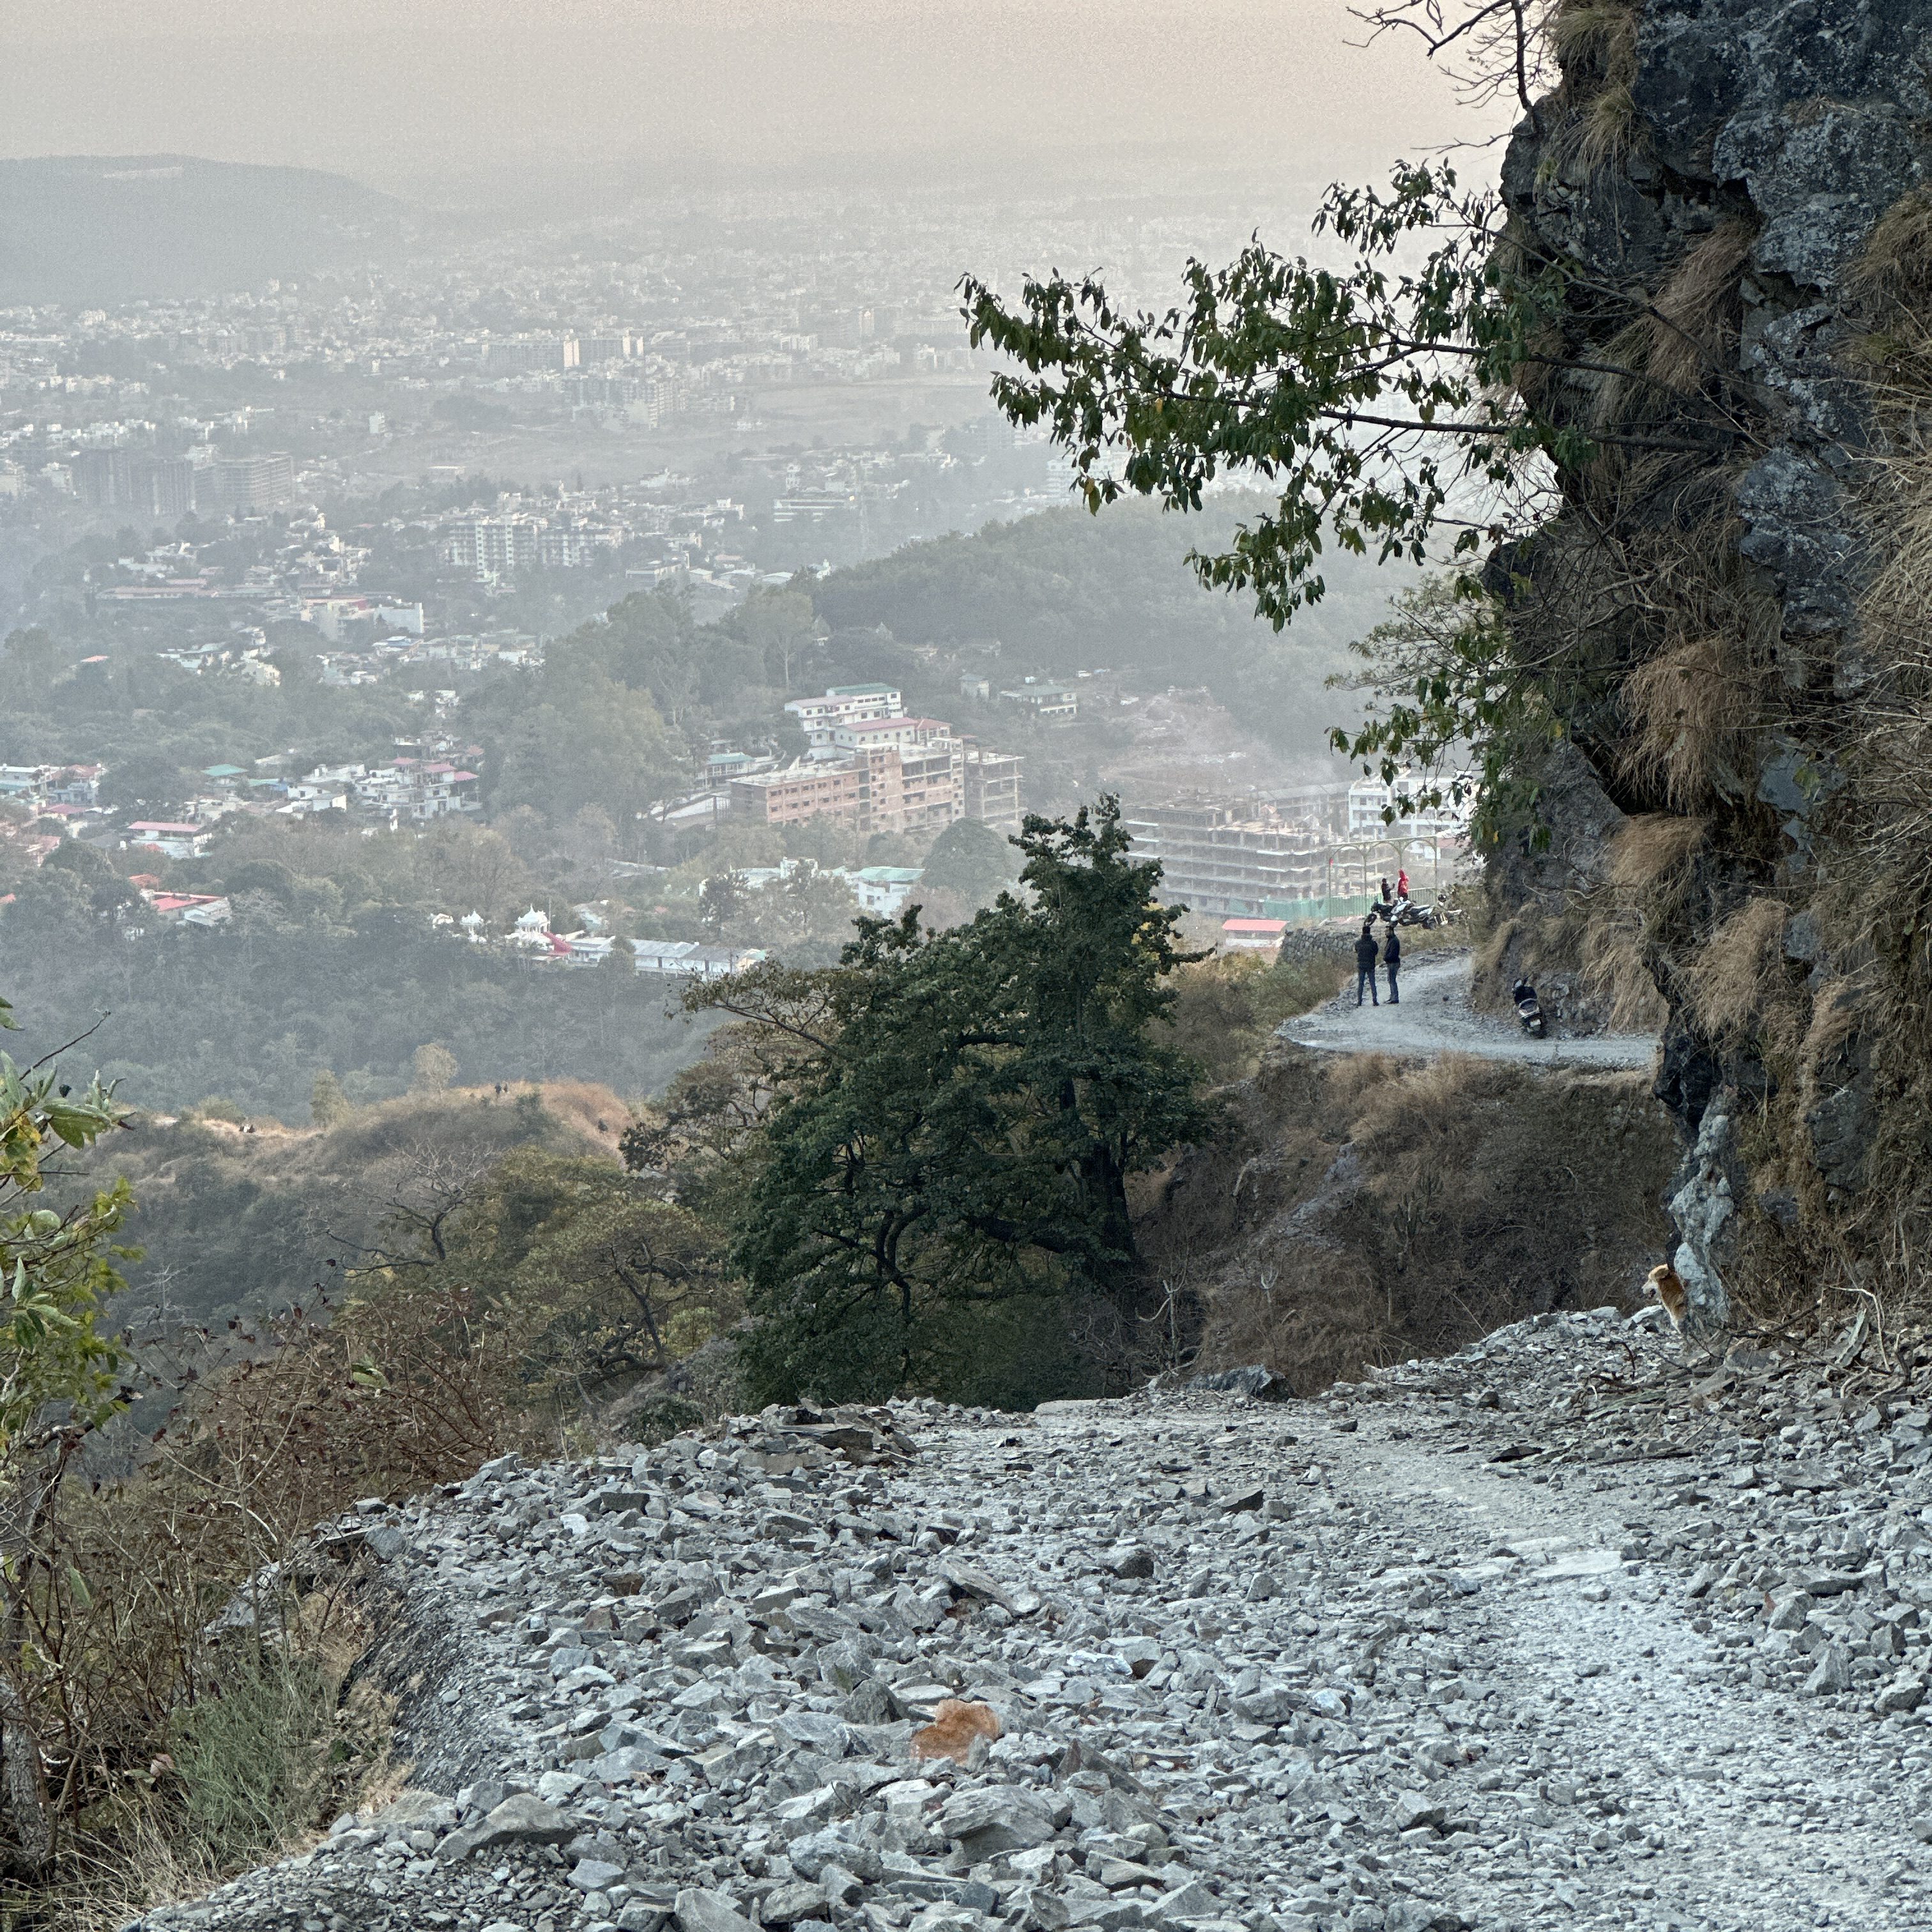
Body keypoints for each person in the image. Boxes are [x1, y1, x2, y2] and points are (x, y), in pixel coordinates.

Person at [1355, 922, 1381, 1006]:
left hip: (1361, 965)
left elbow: (1356, 951)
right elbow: (1376, 952)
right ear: (1370, 932)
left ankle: (1359, 1001)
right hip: (1371, 964)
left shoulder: (1358, 943)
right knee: (1372, 983)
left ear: (1362, 932)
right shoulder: (1373, 943)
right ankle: (1375, 1000)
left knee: (1361, 983)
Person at [1383, 920, 1401, 1004]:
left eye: (1387, 931)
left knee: (1392, 980)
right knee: (1391, 980)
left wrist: (1386, 958)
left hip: (1393, 963)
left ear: (1391, 931)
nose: (1386, 933)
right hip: (1391, 963)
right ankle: (1392, 996)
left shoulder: (1394, 941)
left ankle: (1395, 997)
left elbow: (1393, 954)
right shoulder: (1391, 940)